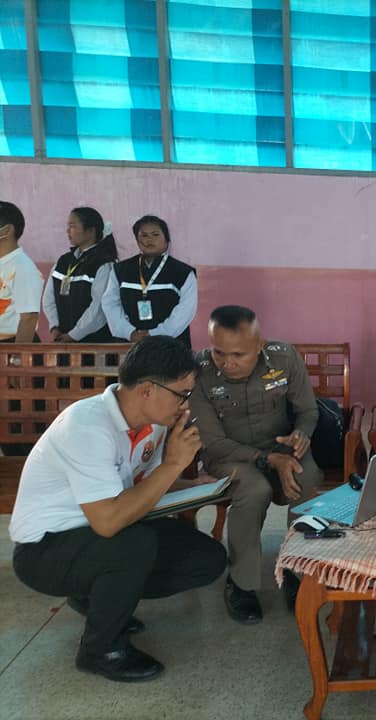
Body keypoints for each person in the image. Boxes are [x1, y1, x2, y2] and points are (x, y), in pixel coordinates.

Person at [8, 336, 226, 682]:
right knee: (133, 545)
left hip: (98, 533)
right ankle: (101, 650)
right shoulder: (86, 426)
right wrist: (174, 464)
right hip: (45, 550)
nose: (185, 405)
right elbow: (108, 522)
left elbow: (143, 486)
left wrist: (199, 487)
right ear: (147, 390)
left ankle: (96, 597)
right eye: (181, 394)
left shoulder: (153, 423)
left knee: (206, 558)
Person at [190, 305, 321, 623]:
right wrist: (267, 460)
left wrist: (301, 435)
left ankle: (296, 570)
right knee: (253, 488)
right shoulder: (199, 371)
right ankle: (241, 583)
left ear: (259, 345)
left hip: (280, 447)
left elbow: (308, 411)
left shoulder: (284, 358)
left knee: (307, 477)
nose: (227, 363)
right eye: (219, 352)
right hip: (228, 455)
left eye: (238, 354)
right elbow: (212, 441)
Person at [102, 215, 197, 347]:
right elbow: (110, 303)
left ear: (167, 239)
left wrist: (155, 334)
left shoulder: (183, 272)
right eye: (144, 235)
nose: (149, 239)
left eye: (155, 234)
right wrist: (129, 332)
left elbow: (185, 311)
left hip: (171, 346)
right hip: (129, 344)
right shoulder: (121, 270)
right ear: (137, 240)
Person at [42, 207, 118, 343]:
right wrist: (55, 327)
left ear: (90, 231)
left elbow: (99, 308)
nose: (68, 231)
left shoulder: (104, 264)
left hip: (94, 342)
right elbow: (48, 299)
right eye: (68, 226)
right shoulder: (63, 261)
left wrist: (74, 335)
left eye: (72, 226)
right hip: (63, 339)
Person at [0, 200, 43, 342]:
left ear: (7, 230)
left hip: (11, 345)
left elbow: (29, 318)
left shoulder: (22, 266)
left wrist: (17, 354)